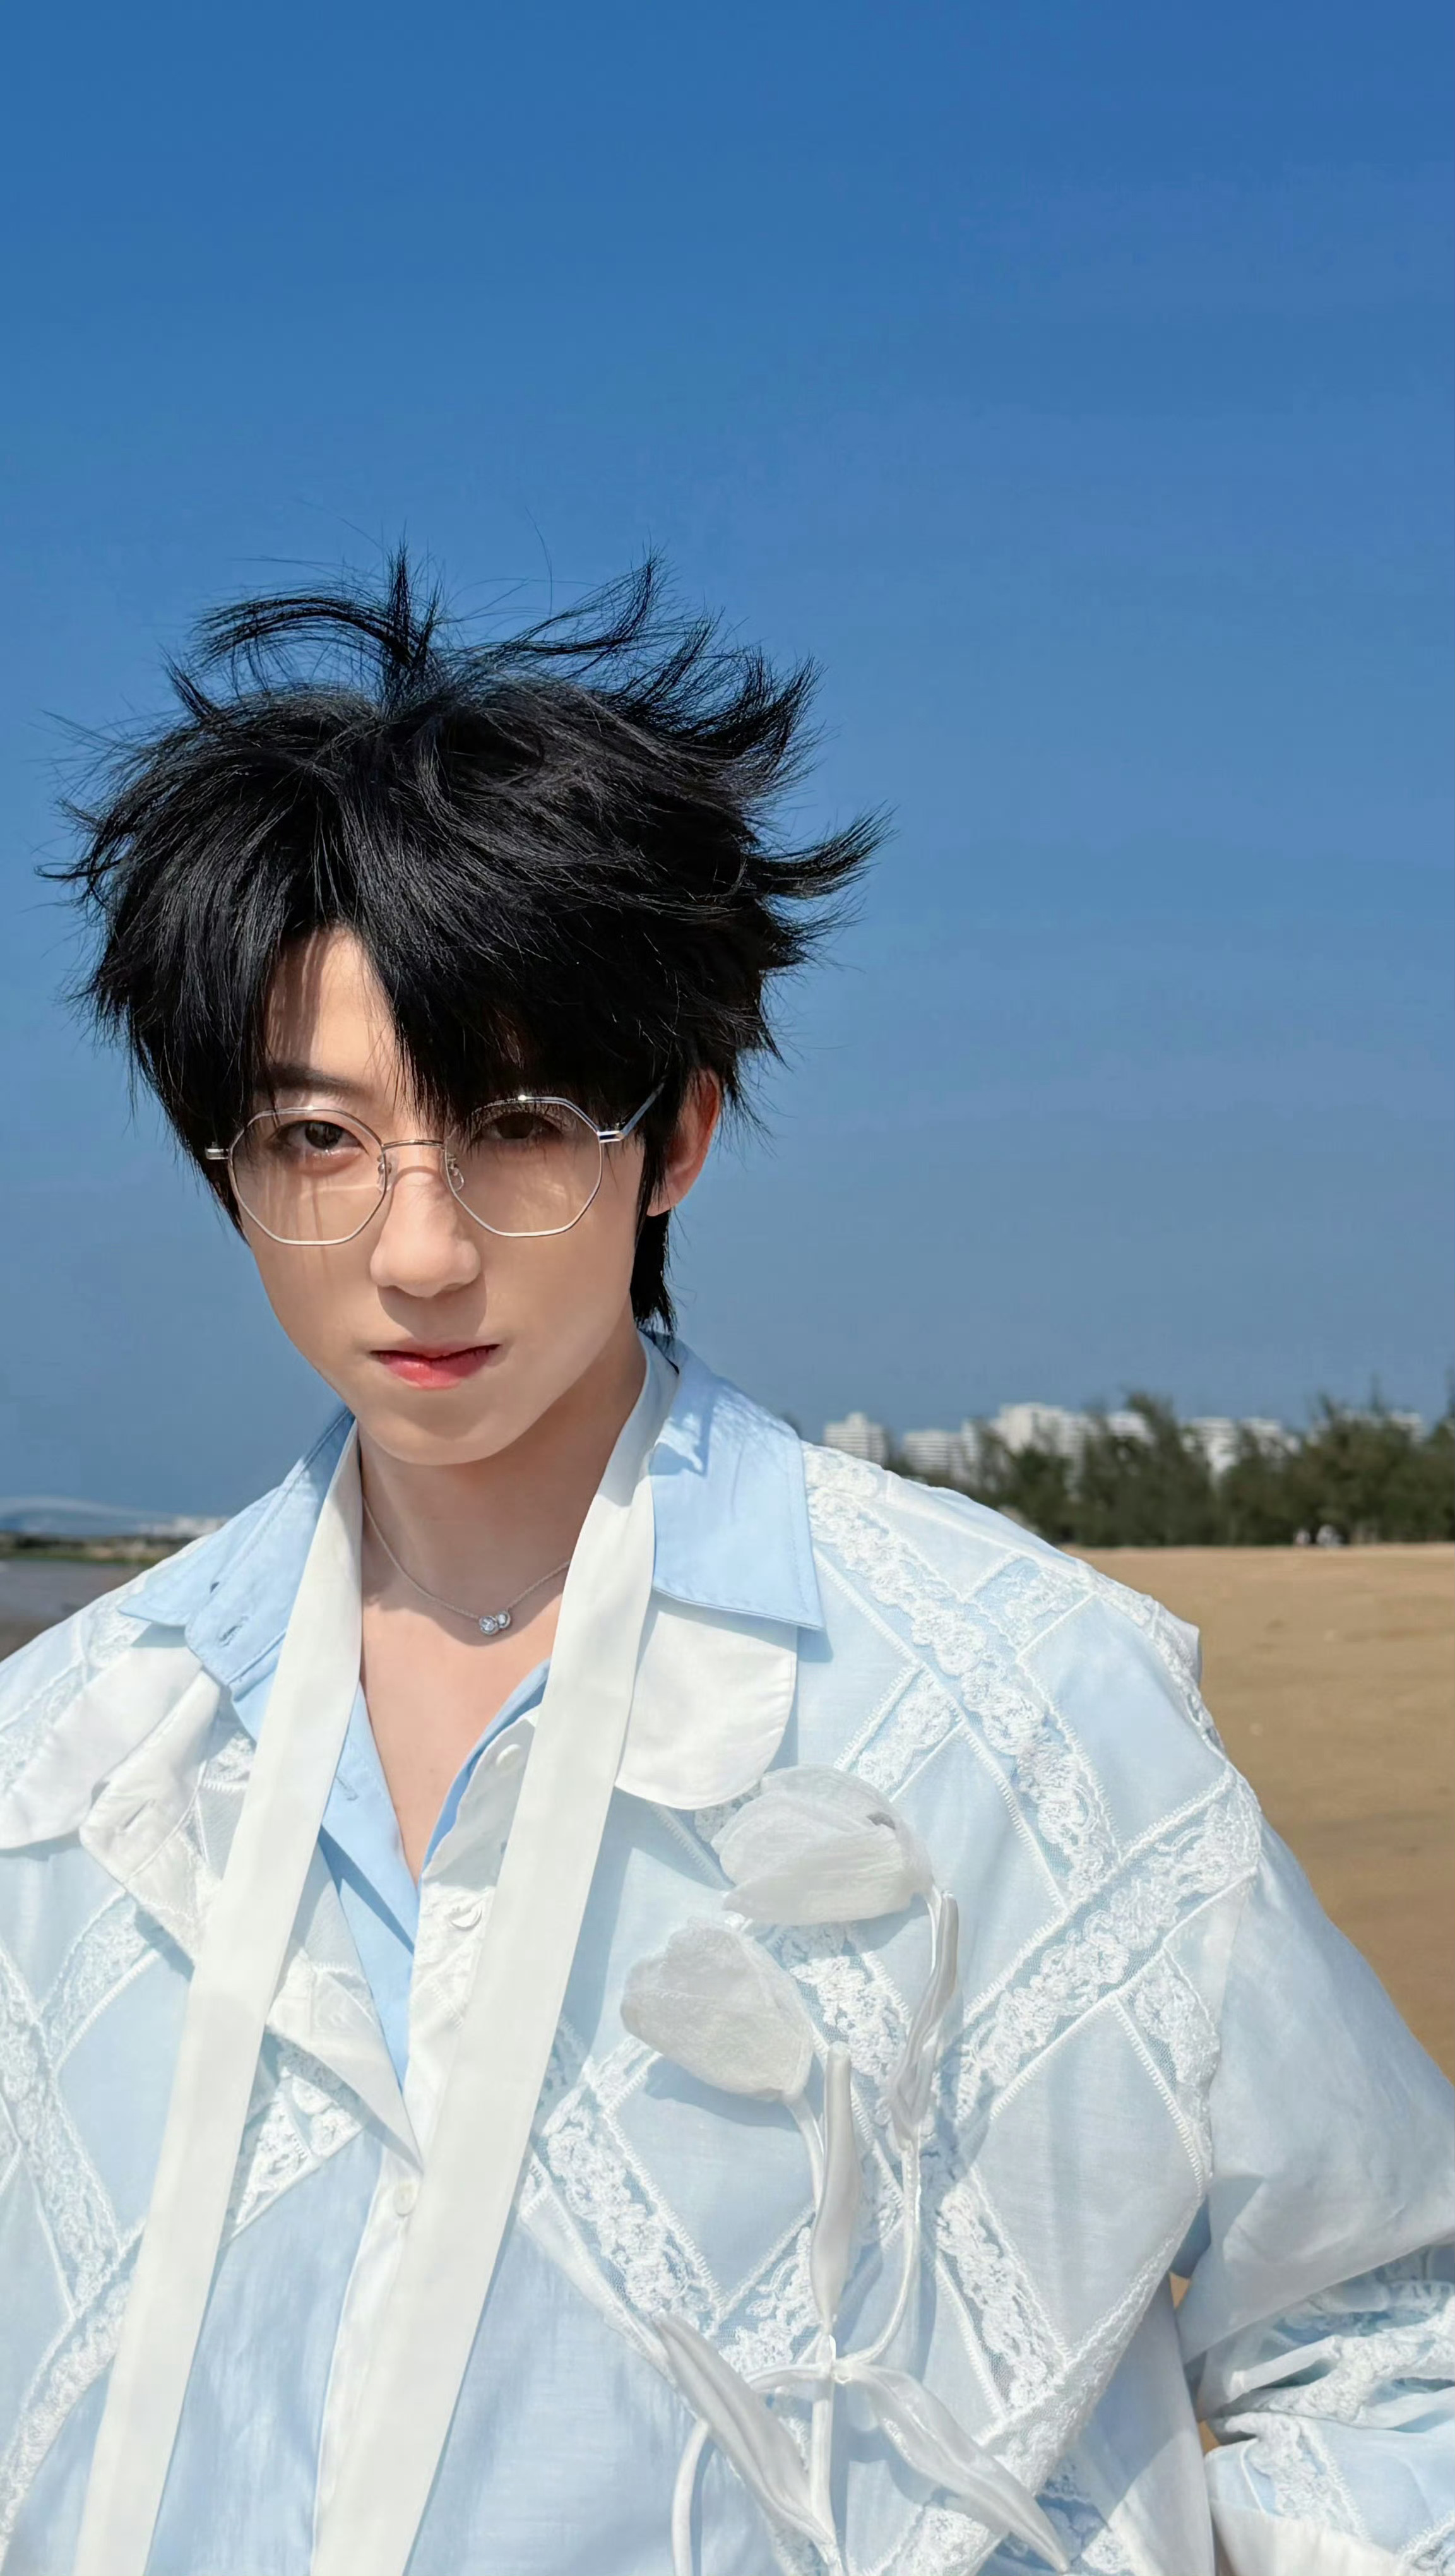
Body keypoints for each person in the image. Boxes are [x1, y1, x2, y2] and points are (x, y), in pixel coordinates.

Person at [0, 558, 1449, 2576]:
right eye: (317, 1142)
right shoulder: (69, 1748)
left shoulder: (1014, 1698)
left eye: (514, 1123)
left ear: (671, 1139)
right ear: (220, 1160)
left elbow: (1385, 2340)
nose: (416, 1251)